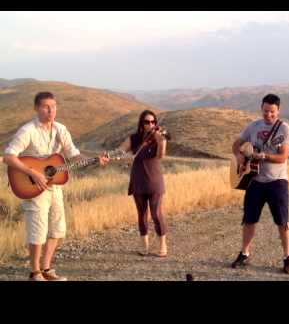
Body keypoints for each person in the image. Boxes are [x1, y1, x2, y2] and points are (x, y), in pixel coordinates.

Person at [3, 91, 109, 281]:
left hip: (55, 186)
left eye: (54, 106)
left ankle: (46, 269)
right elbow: (9, 157)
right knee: (38, 231)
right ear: (36, 108)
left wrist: (94, 160)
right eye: (46, 106)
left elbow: (74, 155)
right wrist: (33, 172)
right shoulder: (28, 130)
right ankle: (34, 273)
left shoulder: (61, 129)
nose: (51, 110)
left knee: (58, 230)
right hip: (33, 187)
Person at [230, 93, 289, 274]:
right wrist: (240, 157)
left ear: (278, 110)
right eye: (266, 111)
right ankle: (244, 253)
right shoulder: (253, 126)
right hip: (254, 181)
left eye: (272, 112)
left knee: (282, 221)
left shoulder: (284, 129)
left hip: (277, 181)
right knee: (249, 220)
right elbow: (236, 144)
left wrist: (264, 156)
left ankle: (287, 257)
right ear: (261, 108)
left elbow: (283, 157)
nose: (269, 115)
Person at [118, 110, 167, 257]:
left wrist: (161, 139)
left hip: (154, 181)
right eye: (147, 122)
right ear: (141, 123)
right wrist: (126, 155)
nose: (150, 125)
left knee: (156, 214)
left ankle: (163, 244)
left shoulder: (159, 137)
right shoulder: (134, 138)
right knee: (142, 214)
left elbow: (161, 156)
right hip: (138, 180)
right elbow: (120, 150)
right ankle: (144, 245)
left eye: (153, 122)